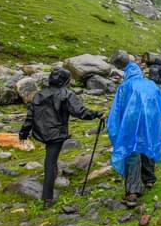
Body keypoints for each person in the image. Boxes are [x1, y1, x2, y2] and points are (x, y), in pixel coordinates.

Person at [19, 68, 102, 208]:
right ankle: (47, 198)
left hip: (42, 132)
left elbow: (30, 116)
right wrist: (97, 114)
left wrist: (24, 132)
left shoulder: (39, 94)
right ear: (65, 81)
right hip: (56, 133)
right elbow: (80, 112)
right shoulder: (66, 94)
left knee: (51, 159)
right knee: (50, 162)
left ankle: (52, 182)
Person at [107, 50, 161, 208]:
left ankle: (132, 194)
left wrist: (112, 122)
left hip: (132, 122)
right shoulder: (150, 84)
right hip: (149, 121)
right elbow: (160, 101)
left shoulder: (125, 86)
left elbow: (118, 109)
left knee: (132, 152)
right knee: (147, 145)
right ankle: (149, 179)